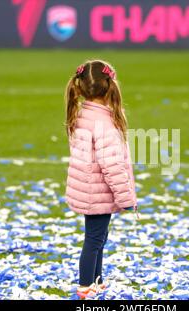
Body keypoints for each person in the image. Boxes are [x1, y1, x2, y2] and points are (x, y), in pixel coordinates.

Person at [64, 60, 138, 299]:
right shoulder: (103, 122)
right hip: (96, 192)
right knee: (94, 240)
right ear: (109, 87)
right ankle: (86, 287)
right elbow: (111, 166)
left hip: (90, 189)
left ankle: (96, 282)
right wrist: (126, 199)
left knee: (98, 238)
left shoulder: (83, 113)